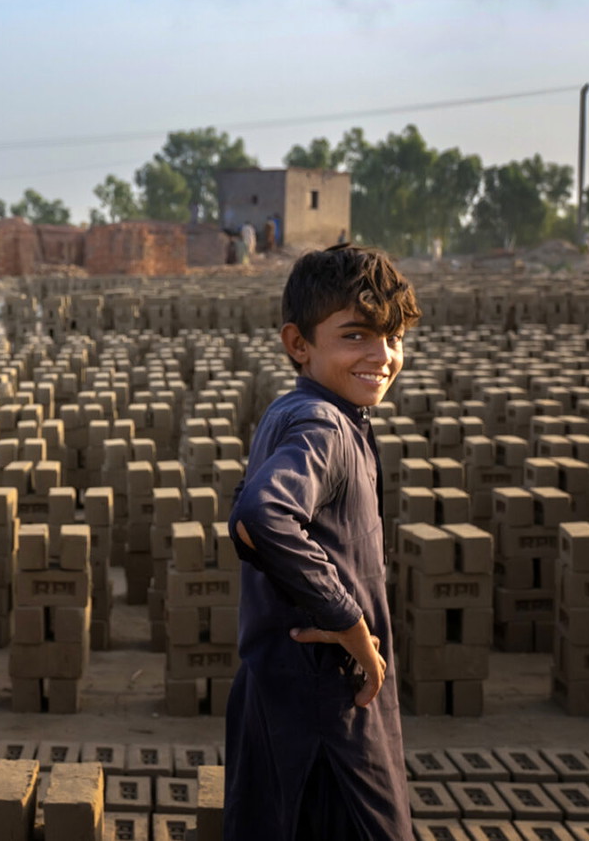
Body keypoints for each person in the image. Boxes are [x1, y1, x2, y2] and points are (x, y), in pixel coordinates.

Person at [224, 245, 421, 840]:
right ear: (298, 343)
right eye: (355, 335)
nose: (381, 356)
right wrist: (348, 621)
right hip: (328, 703)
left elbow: (250, 514)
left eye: (392, 337)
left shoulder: (295, 410)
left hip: (280, 689)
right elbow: (261, 515)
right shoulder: (326, 425)